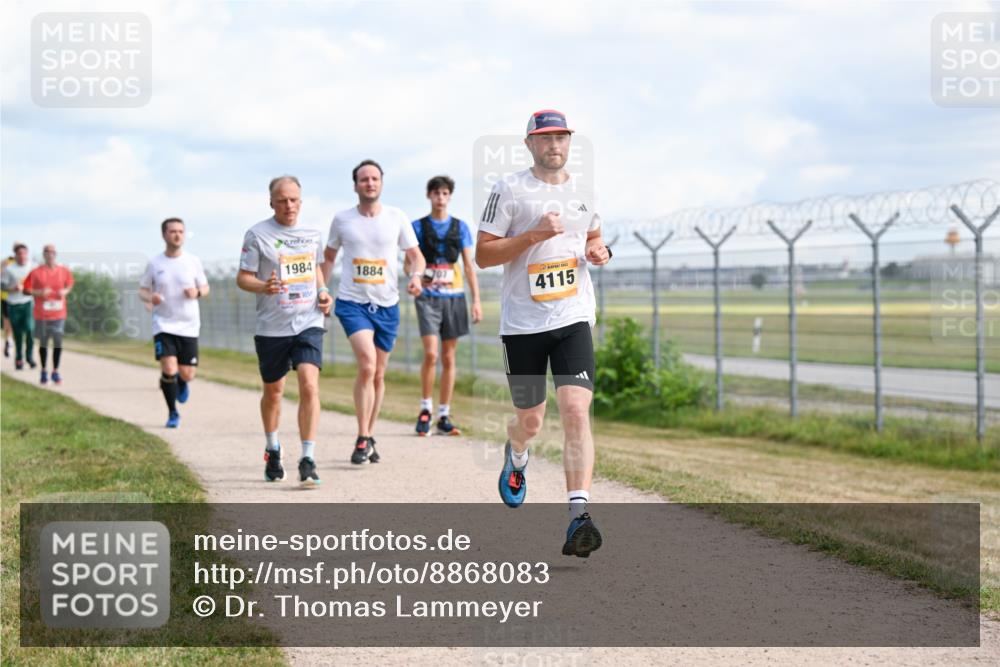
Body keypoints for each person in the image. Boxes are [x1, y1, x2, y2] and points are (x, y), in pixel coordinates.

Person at [476, 109, 612, 558]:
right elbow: (483, 255)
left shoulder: (585, 191)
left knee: (576, 410)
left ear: (569, 142)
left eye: (562, 137)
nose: (555, 144)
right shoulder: (509, 189)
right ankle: (517, 455)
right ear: (530, 143)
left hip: (572, 316)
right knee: (531, 420)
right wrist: (534, 234)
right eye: (546, 137)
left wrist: (598, 250)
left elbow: (594, 236)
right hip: (522, 325)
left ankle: (579, 515)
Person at [321, 160, 424, 464]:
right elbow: (328, 257)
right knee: (367, 365)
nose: (369, 183)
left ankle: (369, 434)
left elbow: (416, 257)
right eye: (364, 179)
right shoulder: (342, 220)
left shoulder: (396, 217)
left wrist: (416, 276)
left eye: (374, 178)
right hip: (352, 303)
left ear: (381, 183)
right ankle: (363, 436)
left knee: (378, 374)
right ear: (355, 185)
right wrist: (322, 291)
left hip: (388, 304)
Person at [238, 176, 332, 487]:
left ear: (301, 202)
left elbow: (316, 268)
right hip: (272, 327)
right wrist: (263, 286)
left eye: (293, 200)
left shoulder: (312, 234)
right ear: (271, 203)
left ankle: (308, 458)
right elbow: (243, 277)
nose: (288, 205)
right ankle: (273, 448)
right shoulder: (257, 235)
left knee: (309, 383)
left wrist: (323, 292)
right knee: (274, 392)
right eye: (282, 200)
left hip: (308, 321)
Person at [405, 175, 482, 437]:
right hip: (427, 297)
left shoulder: (460, 228)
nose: (440, 198)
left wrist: (476, 301)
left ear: (450, 197)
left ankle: (444, 415)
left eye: (445, 193)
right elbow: (408, 262)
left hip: (454, 296)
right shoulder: (416, 227)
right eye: (436, 193)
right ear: (429, 195)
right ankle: (425, 408)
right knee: (431, 354)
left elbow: (469, 266)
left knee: (449, 356)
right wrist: (415, 277)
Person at [138, 219, 209, 427]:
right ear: (164, 235)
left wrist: (197, 292)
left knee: (187, 373)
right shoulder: (155, 263)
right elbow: (142, 289)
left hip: (189, 325)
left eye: (181, 231)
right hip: (163, 324)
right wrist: (151, 297)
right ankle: (172, 413)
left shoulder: (193, 261)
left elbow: (205, 288)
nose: (177, 235)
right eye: (172, 231)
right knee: (169, 368)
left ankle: (182, 381)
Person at [24, 245, 74, 385]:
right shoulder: (36, 272)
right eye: (47, 252)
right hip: (42, 314)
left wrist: (65, 291)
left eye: (52, 252)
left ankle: (56, 371)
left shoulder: (64, 271)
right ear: (44, 255)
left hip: (59, 313)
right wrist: (39, 293)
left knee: (58, 340)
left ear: (55, 254)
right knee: (44, 342)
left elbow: (70, 284)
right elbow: (25, 290)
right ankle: (44, 370)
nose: (49, 254)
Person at [1, 243, 37, 370]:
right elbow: (2, 286)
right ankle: (19, 359)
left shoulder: (33, 267)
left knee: (29, 330)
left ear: (27, 254)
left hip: (27, 302)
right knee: (18, 334)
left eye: (24, 253)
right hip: (13, 304)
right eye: (19, 254)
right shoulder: (8, 269)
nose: (22, 256)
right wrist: (13, 289)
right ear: (15, 255)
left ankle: (30, 357)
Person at [1, 252, 15, 358]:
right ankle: (9, 341)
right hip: (10, 297)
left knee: (7, 322)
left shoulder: (3, 263)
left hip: (5, 297)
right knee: (10, 322)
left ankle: (9, 340)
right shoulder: (8, 264)